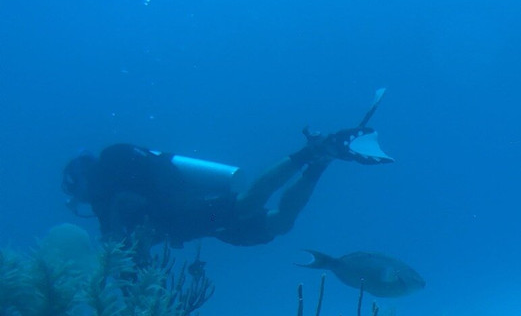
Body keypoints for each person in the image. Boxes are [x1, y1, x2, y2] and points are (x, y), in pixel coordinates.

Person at [61, 89, 392, 251]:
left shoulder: (105, 193)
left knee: (247, 203)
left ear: (80, 182)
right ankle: (319, 162)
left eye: (75, 194)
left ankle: (312, 152)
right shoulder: (112, 178)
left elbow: (126, 217)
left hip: (182, 214)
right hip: (185, 223)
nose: (79, 202)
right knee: (280, 222)